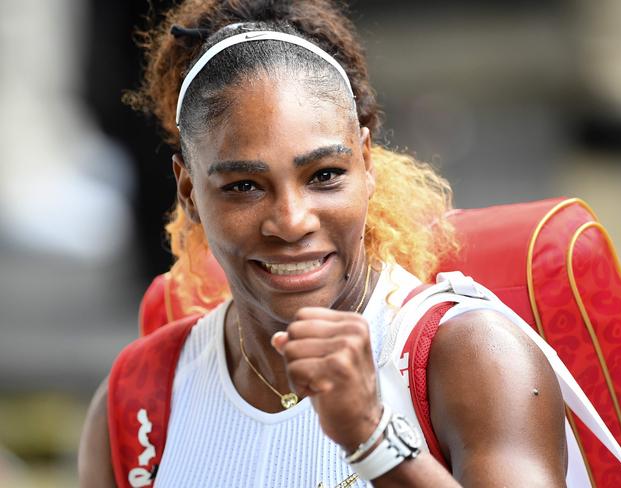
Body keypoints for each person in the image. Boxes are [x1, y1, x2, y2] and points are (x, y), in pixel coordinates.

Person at [78, 1, 569, 486]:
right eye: (244, 186)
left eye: (325, 175)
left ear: (367, 164)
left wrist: (373, 439)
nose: (291, 221)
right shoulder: (137, 402)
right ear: (188, 192)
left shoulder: (475, 357)